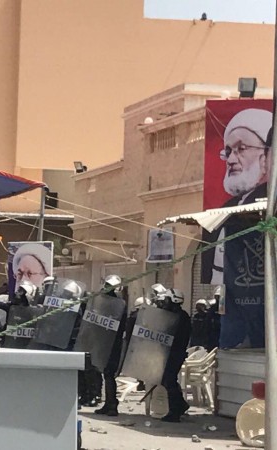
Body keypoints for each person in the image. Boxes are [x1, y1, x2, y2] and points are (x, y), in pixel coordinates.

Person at [203, 109, 272, 285]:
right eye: (228, 151)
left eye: (241, 149)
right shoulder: (226, 210)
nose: (231, 160)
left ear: (268, 155)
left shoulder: (271, 205)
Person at [158, 288, 192, 423]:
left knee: (169, 380)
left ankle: (175, 411)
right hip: (170, 352)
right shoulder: (176, 315)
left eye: (167, 300)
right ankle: (181, 405)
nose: (165, 302)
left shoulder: (179, 317)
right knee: (167, 380)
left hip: (175, 353)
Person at [95, 274, 126, 417]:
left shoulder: (118, 304)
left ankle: (112, 405)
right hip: (104, 341)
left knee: (109, 373)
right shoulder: (104, 301)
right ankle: (108, 403)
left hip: (113, 343)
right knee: (106, 373)